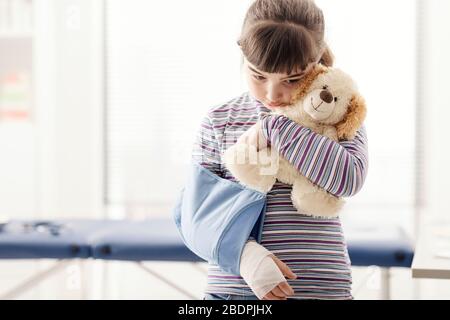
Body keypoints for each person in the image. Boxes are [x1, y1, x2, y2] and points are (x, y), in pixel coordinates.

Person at [174, 0, 368, 300]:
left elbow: (348, 178)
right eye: (258, 75)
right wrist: (246, 256)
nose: (272, 94)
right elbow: (194, 215)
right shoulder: (220, 121)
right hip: (236, 295)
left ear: (317, 62)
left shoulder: (338, 111)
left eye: (292, 79)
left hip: (324, 292)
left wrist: (279, 128)